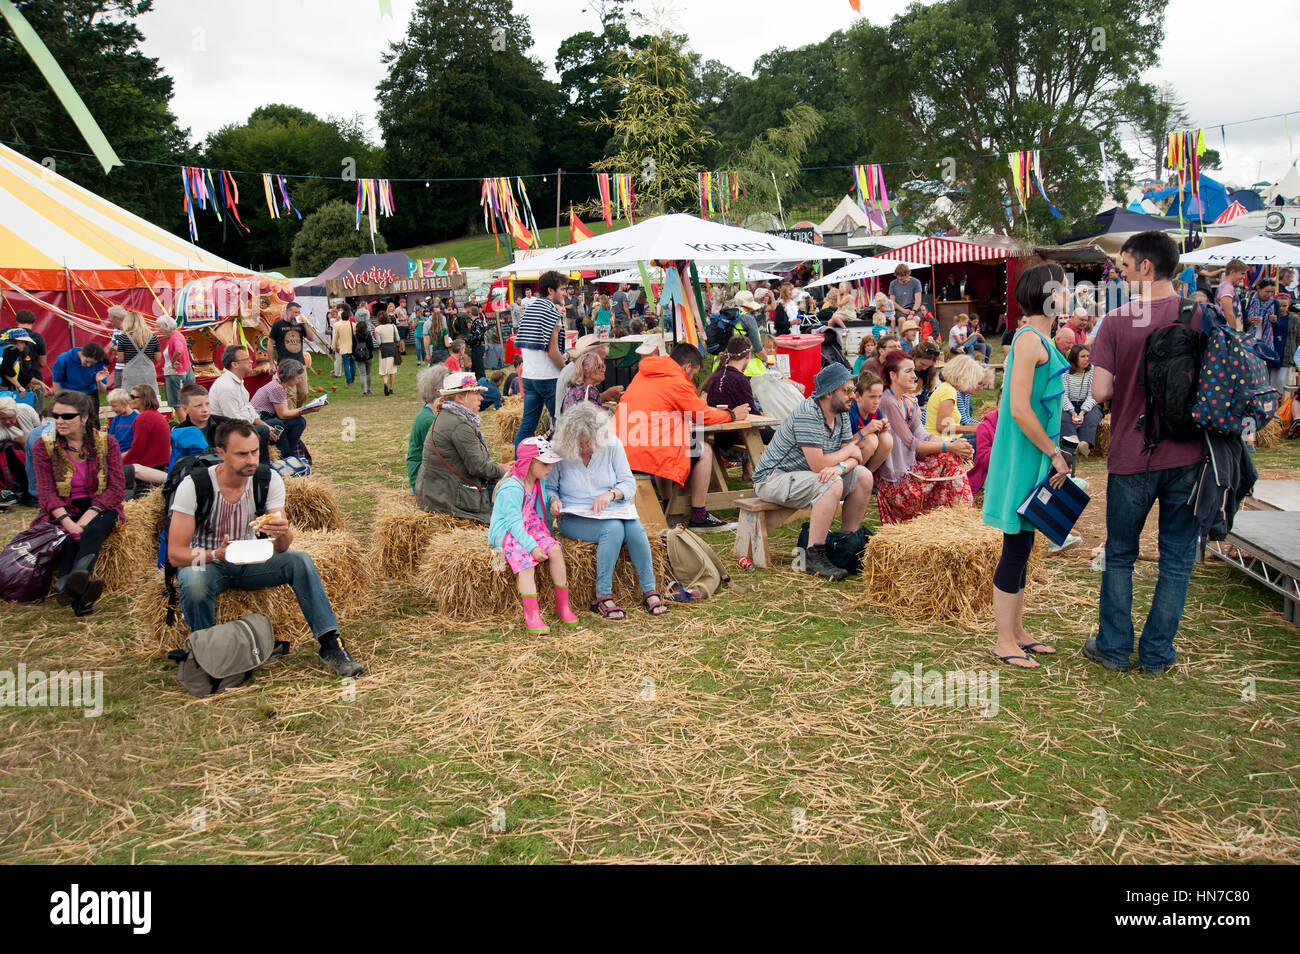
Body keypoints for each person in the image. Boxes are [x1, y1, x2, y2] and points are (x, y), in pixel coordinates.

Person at [1086, 230, 1205, 675]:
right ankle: (1156, 655)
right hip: (1189, 454)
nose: (1120, 272)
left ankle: (1114, 649)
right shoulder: (1200, 315)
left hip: (1133, 453)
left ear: (1146, 266)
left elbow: (1100, 390)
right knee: (1177, 557)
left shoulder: (1117, 320)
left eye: (1124, 265)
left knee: (1120, 554)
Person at [167, 420, 363, 677]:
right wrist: (216, 554)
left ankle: (331, 646)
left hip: (248, 561)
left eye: (254, 452)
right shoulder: (194, 486)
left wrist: (283, 532)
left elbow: (281, 547)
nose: (250, 459)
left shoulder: (267, 480)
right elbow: (176, 553)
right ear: (221, 452)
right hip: (207, 562)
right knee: (193, 581)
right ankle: (204, 651)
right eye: (241, 454)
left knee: (299, 560)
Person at [982, 262, 1072, 669]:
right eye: (1065, 289)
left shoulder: (1039, 340)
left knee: (1024, 543)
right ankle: (1004, 640)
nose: (1069, 296)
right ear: (1050, 295)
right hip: (1025, 455)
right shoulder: (1028, 339)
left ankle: (1017, 631)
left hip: (1034, 452)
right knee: (1015, 546)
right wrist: (1053, 452)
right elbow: (1017, 408)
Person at [751, 364, 871, 581]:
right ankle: (813, 555)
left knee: (863, 476)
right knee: (831, 483)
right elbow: (820, 465)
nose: (853, 395)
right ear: (828, 393)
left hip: (806, 474)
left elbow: (856, 457)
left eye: (853, 390)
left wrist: (840, 466)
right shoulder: (809, 413)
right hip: (772, 478)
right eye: (847, 390)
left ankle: (847, 543)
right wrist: (845, 455)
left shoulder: (841, 412)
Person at [549, 402, 667, 619]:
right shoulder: (559, 450)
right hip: (575, 515)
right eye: (580, 444)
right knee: (612, 530)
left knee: (635, 529)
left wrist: (611, 494)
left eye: (590, 443)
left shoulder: (612, 444)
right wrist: (553, 500)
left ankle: (649, 590)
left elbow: (628, 483)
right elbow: (549, 487)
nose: (585, 448)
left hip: (614, 508)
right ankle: (602, 595)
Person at [615, 342, 746, 531]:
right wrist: (732, 415)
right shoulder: (676, 379)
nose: (691, 379)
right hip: (646, 449)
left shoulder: (642, 375)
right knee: (705, 450)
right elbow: (702, 415)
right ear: (687, 367)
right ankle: (699, 516)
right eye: (692, 374)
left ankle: (669, 505)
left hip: (625, 447)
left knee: (667, 444)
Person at [30, 390, 124, 616]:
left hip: (99, 505)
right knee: (67, 540)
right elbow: (46, 493)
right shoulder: (44, 447)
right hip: (63, 507)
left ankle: (66, 585)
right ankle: (79, 593)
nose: (59, 421)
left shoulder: (106, 443)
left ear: (83, 417)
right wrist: (68, 523)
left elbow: (116, 488)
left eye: (66, 416)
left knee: (94, 529)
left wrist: (85, 518)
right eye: (56, 415)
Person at [488, 436, 579, 633]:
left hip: (528, 524)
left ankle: (563, 605)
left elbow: (539, 502)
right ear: (529, 463)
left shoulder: (537, 481)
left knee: (555, 548)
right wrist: (533, 547)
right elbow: (513, 523)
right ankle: (532, 615)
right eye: (545, 464)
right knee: (526, 562)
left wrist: (553, 500)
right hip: (508, 529)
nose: (549, 469)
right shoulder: (512, 487)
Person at [875, 349, 974, 524]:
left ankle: (957, 519)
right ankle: (959, 519)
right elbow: (912, 443)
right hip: (896, 480)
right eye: (908, 371)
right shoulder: (887, 401)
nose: (915, 375)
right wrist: (950, 446)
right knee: (950, 457)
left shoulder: (906, 400)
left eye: (914, 370)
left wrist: (954, 444)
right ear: (893, 375)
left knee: (952, 457)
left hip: (909, 468)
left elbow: (923, 434)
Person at [416, 372, 505, 521]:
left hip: (437, 492)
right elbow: (478, 468)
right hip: (446, 499)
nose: (481, 398)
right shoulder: (459, 424)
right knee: (509, 515)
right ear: (459, 398)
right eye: (475, 393)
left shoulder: (451, 416)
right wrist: (503, 470)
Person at [514, 271, 568, 449]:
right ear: (551, 290)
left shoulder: (530, 309)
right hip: (548, 378)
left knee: (527, 427)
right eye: (562, 289)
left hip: (529, 376)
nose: (565, 293)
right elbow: (552, 352)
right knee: (561, 427)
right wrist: (567, 371)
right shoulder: (551, 311)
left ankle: (516, 469)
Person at [208, 345, 272, 457]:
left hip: (243, 424)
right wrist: (261, 427)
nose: (251, 361)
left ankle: (286, 458)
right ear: (235, 364)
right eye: (247, 359)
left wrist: (264, 424)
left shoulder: (237, 381)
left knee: (279, 424)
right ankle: (262, 466)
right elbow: (233, 420)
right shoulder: (226, 386)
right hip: (229, 431)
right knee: (263, 431)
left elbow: (249, 407)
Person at [251, 359, 322, 458]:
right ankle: (286, 454)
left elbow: (284, 411)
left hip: (265, 417)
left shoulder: (279, 384)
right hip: (258, 419)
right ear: (290, 377)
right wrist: (308, 409)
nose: (299, 380)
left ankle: (289, 452)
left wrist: (308, 407)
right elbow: (283, 414)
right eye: (298, 378)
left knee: (298, 422)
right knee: (281, 423)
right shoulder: (277, 387)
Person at [926, 354, 985, 450]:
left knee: (987, 434)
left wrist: (976, 427)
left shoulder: (949, 388)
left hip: (949, 439)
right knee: (988, 438)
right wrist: (972, 429)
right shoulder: (949, 391)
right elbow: (942, 427)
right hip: (943, 442)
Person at [120, 384, 170, 495]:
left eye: (133, 397)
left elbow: (137, 450)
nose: (129, 399)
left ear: (143, 399)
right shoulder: (155, 415)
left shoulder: (143, 418)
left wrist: (117, 463)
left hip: (149, 469)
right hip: (161, 466)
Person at [405, 364, 450, 490]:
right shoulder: (428, 419)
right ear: (439, 390)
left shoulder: (431, 413)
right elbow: (440, 455)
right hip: (423, 480)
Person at [554, 335, 623, 411]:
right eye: (600, 361)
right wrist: (605, 396)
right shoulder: (572, 371)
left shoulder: (579, 375)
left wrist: (605, 396)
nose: (603, 366)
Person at [847, 369, 894, 477]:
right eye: (872, 397)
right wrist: (866, 430)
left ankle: (869, 474)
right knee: (871, 440)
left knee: (887, 438)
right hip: (848, 457)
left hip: (864, 456)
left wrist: (882, 429)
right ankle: (853, 476)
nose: (877, 401)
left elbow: (879, 438)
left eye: (880, 396)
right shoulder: (850, 413)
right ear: (858, 396)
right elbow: (844, 445)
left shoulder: (876, 412)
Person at [1060, 344, 1102, 456]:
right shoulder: (1065, 372)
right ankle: (1074, 442)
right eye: (1083, 356)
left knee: (1092, 418)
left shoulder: (1093, 371)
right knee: (1063, 418)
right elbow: (1063, 395)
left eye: (1088, 356)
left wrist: (1083, 412)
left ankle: (1084, 444)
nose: (1087, 359)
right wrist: (1072, 412)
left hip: (1087, 403)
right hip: (1069, 404)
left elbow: (1092, 394)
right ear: (1074, 358)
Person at [111, 309, 161, 400]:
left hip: (131, 373)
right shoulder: (153, 337)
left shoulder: (123, 338)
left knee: (130, 398)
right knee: (149, 397)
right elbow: (158, 358)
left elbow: (121, 359)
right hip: (148, 372)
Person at [0, 395, 40, 503]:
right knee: (8, 447)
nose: (7, 422)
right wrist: (22, 440)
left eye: (10, 418)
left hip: (37, 447)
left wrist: (26, 441)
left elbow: (39, 429)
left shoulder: (26, 409)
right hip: (20, 454)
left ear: (16, 414)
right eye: (3, 418)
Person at [154, 315, 195, 414]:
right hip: (183, 371)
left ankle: (185, 426)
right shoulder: (178, 335)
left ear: (166, 325)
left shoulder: (175, 338)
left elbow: (179, 351)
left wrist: (173, 361)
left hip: (176, 374)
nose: (158, 329)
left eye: (159, 326)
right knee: (183, 403)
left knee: (177, 404)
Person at [560, 350, 611, 415]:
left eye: (603, 366)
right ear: (586, 372)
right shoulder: (590, 390)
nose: (603, 370)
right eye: (599, 367)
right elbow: (599, 420)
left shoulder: (573, 389)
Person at [269, 301, 319, 366]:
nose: (297, 315)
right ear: (287, 312)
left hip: (300, 363)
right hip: (284, 364)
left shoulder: (300, 325)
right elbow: (270, 343)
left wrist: (304, 325)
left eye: (299, 312)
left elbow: (311, 338)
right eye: (295, 312)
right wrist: (271, 363)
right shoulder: (278, 325)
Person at [1216, 258, 1248, 330]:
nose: (1243, 277)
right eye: (1242, 274)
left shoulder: (1227, 287)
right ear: (1233, 272)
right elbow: (1229, 314)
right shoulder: (1226, 288)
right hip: (1228, 332)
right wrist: (1234, 333)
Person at [374, 313, 400, 396]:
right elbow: (398, 338)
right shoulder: (393, 326)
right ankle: (391, 388)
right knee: (392, 370)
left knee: (383, 369)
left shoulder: (378, 328)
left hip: (383, 349)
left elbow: (379, 342)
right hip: (392, 347)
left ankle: (385, 383)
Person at [104, 388, 137, 455]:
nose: (112, 409)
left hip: (130, 454)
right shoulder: (116, 419)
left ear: (124, 404)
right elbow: (111, 438)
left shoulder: (136, 418)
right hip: (117, 453)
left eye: (114, 406)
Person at [332, 303, 356, 387]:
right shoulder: (353, 325)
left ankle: (349, 381)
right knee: (352, 364)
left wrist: (334, 347)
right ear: (349, 317)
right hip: (352, 347)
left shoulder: (337, 325)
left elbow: (335, 338)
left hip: (343, 347)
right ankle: (352, 380)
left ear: (341, 317)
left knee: (346, 364)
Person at [353, 307, 376, 396]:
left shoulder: (354, 336)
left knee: (362, 373)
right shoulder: (368, 335)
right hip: (368, 356)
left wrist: (354, 355)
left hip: (358, 356)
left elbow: (353, 347)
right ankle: (369, 389)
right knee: (368, 373)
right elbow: (371, 346)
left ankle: (364, 391)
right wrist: (370, 353)